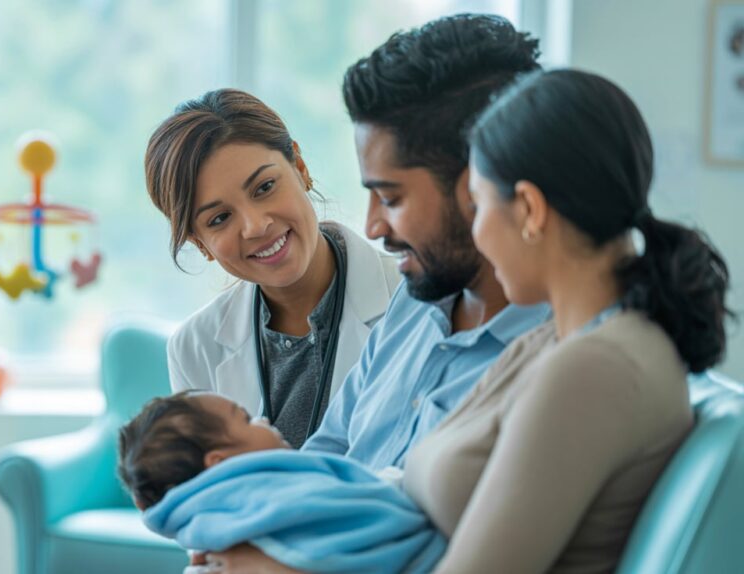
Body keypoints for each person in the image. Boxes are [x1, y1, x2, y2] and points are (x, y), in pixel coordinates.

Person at [198, 14, 551, 572]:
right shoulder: (415, 303)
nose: (372, 226)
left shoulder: (555, 358)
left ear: (479, 182)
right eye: (217, 218)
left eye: (390, 197)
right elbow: (331, 454)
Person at [401, 69, 734, 572]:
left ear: (531, 209)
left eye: (478, 207)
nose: (478, 234)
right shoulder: (558, 340)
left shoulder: (594, 369)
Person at [144, 89, 400, 448]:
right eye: (219, 218)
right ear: (200, 244)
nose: (255, 226)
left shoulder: (414, 298)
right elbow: (208, 492)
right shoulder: (195, 348)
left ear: (300, 168)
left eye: (264, 187)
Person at [118, 391, 445, 574]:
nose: (264, 420)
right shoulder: (272, 495)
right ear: (220, 463)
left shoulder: (213, 525)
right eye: (246, 419)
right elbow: (367, 498)